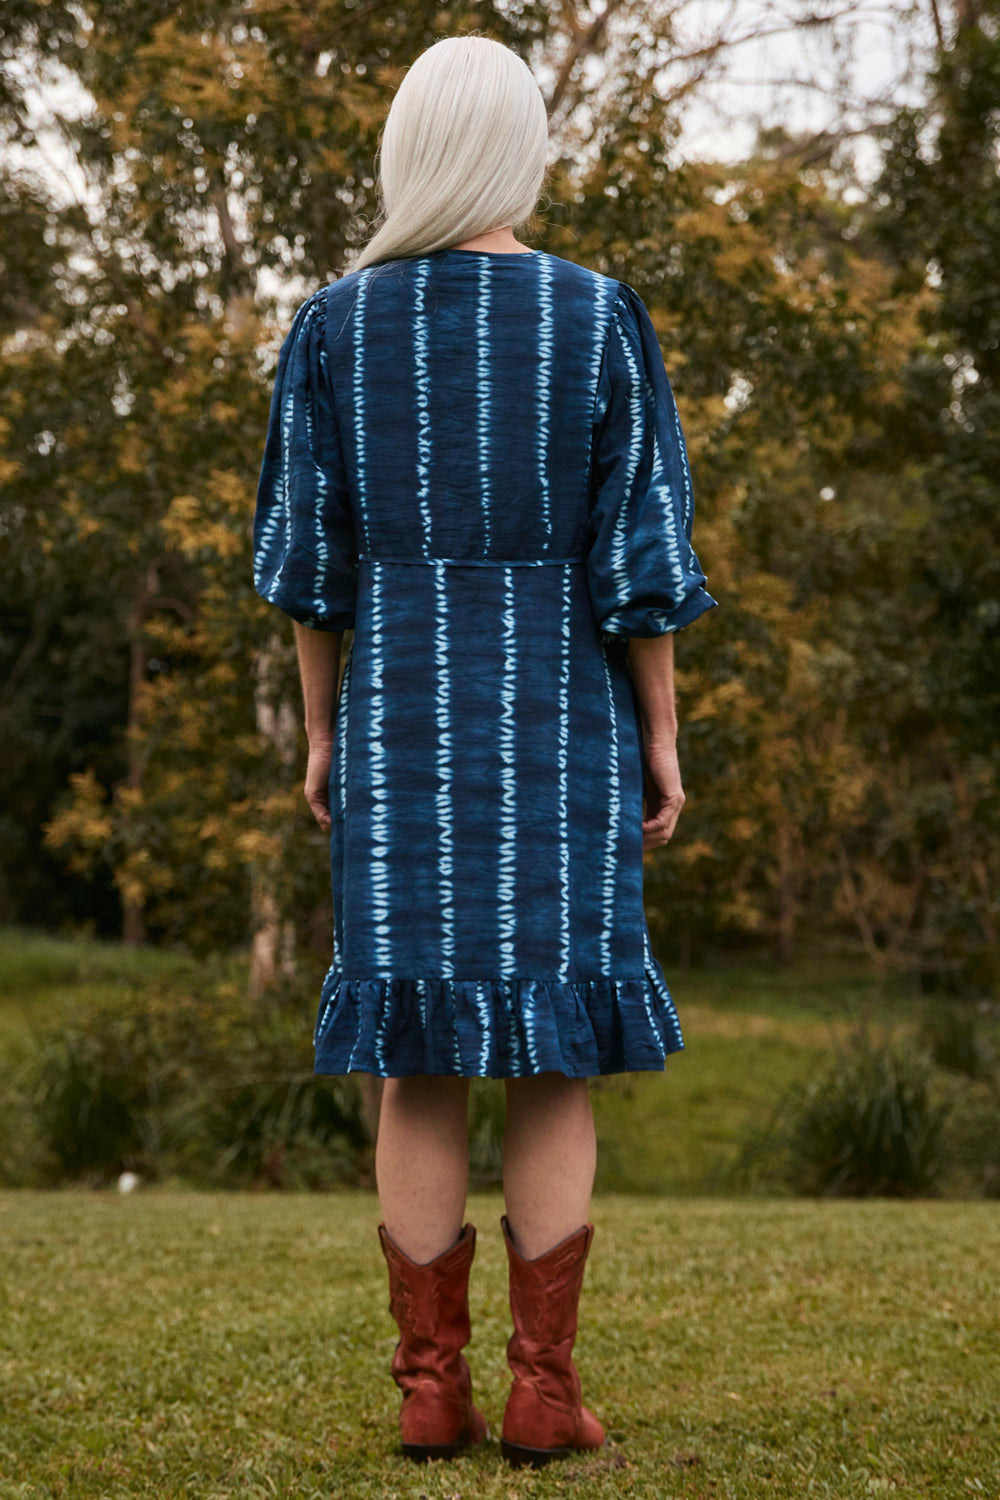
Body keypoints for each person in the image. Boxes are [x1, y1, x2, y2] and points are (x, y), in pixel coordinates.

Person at [252, 32, 718, 1470]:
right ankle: (541, 1390)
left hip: (398, 720)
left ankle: (427, 1390)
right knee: (553, 1054)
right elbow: (640, 556)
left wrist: (324, 733)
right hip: (559, 726)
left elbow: (308, 567)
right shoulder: (596, 318)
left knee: (416, 1054)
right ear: (522, 149)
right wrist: (662, 729)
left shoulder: (334, 325)